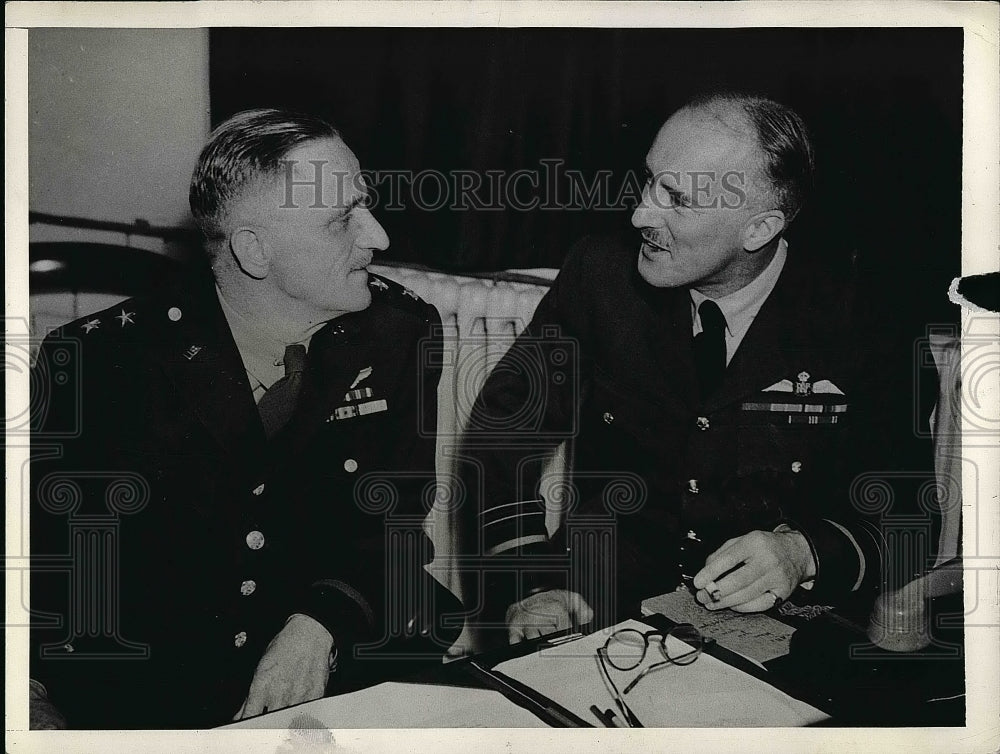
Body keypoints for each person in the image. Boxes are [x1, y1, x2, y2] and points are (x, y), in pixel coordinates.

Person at [29, 108, 461, 728]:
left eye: (365, 204)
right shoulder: (99, 365)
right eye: (342, 219)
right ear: (254, 250)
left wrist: (320, 624)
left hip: (338, 642)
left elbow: (393, 518)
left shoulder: (400, 334)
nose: (379, 237)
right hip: (161, 682)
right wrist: (33, 695)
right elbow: (50, 570)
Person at [464, 91, 932, 644]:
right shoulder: (601, 276)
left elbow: (910, 512)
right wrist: (531, 584)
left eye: (677, 199)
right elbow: (502, 435)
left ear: (759, 229)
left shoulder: (867, 320)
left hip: (787, 628)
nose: (640, 214)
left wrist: (803, 552)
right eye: (649, 181)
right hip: (597, 606)